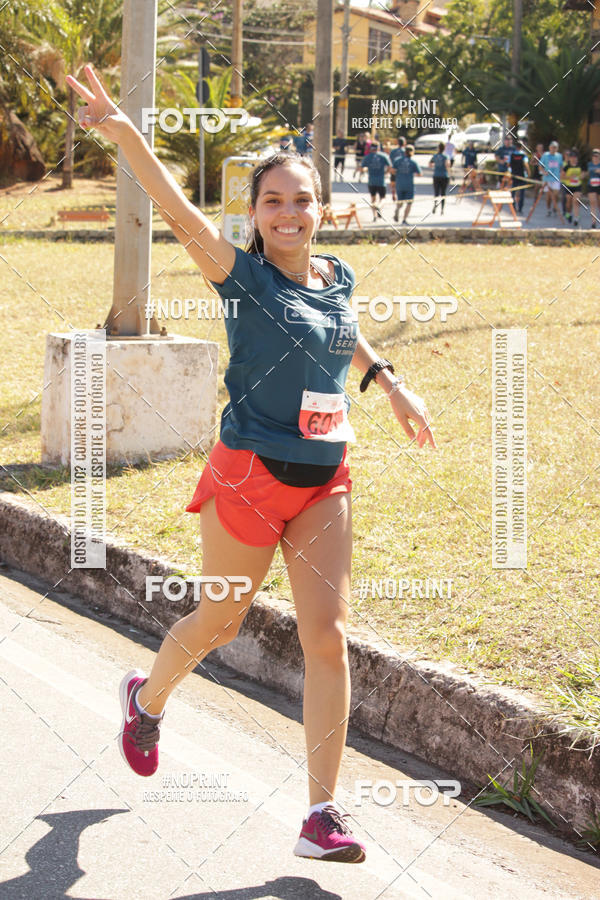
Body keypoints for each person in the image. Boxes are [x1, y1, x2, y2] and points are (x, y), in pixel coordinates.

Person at [67, 63, 436, 866]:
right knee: (220, 621)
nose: (290, 213)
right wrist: (124, 131)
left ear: (319, 207)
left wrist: (390, 384)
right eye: (274, 201)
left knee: (329, 640)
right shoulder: (240, 277)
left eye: (301, 199)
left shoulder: (338, 275)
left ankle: (321, 815)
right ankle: (147, 698)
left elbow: (342, 333)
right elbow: (171, 204)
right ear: (255, 214)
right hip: (249, 477)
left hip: (324, 478)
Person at [359, 140, 392, 221]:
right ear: (378, 148)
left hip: (371, 181)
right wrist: (386, 173)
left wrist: (366, 170)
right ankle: (379, 206)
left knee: (373, 199)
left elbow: (361, 168)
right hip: (381, 180)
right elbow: (390, 166)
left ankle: (374, 216)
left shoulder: (367, 157)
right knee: (383, 198)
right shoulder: (383, 156)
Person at [392, 144, 421, 224]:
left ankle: (397, 209)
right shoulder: (413, 162)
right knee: (409, 203)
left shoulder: (397, 160)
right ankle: (404, 219)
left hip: (400, 184)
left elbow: (393, 171)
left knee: (400, 201)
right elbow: (419, 173)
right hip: (409, 185)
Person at [539, 141, 563, 216]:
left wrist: (561, 173)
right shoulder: (545, 155)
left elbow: (561, 166)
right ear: (550, 148)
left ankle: (554, 207)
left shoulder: (559, 156)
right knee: (549, 195)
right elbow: (540, 166)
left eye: (555, 147)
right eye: (552, 147)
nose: (553, 149)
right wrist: (543, 172)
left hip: (556, 178)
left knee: (556, 194)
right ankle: (548, 209)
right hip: (547, 178)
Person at [561, 148, 582, 227]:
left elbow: (584, 174)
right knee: (569, 202)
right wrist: (570, 177)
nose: (573, 159)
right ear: (569, 159)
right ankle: (568, 213)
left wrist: (582, 176)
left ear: (577, 158)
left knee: (576, 201)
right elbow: (562, 177)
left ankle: (576, 218)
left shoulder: (580, 165)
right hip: (568, 186)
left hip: (577, 186)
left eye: (575, 157)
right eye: (572, 158)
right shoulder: (567, 167)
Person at [429, 142, 450, 214]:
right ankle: (442, 209)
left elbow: (430, 164)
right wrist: (450, 174)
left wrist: (435, 166)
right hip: (444, 176)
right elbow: (447, 165)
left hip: (436, 175)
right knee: (443, 193)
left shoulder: (435, 156)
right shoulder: (445, 157)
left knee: (436, 192)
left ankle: (435, 205)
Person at [508, 141, 529, 214]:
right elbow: (526, 164)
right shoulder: (523, 155)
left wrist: (510, 172)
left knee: (513, 192)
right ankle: (520, 208)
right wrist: (529, 173)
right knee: (522, 193)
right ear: (522, 147)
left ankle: (513, 207)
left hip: (514, 175)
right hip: (522, 175)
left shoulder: (512, 155)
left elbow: (508, 164)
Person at [389, 137, 406, 203]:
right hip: (402, 170)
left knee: (393, 183)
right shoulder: (405, 151)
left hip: (394, 169)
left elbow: (390, 160)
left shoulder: (393, 151)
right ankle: (400, 196)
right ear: (404, 143)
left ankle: (393, 194)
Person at [586, 148, 600, 228]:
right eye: (594, 156)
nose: (595, 157)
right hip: (591, 185)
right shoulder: (589, 164)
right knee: (593, 202)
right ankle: (593, 222)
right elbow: (585, 173)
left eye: (597, 156)